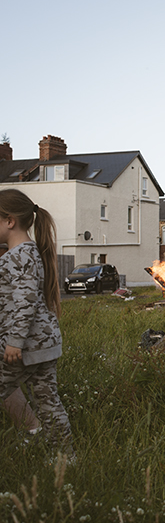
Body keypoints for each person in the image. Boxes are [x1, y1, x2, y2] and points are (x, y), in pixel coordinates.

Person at [0, 189, 73, 453]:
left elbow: (26, 302)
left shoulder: (18, 257)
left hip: (23, 347)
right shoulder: (29, 254)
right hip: (42, 345)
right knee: (49, 404)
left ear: (10, 221)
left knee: (48, 403)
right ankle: (64, 459)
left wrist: (15, 342)